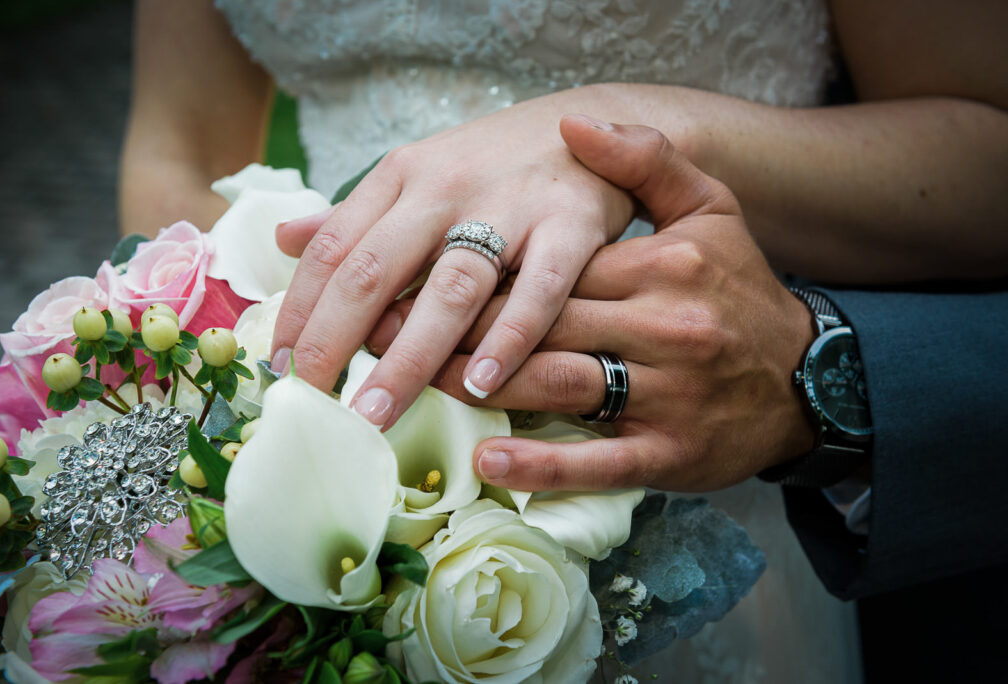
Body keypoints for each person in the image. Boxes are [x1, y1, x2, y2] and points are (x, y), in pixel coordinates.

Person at [120, 1, 1008, 680]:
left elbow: (987, 160)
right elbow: (179, 146)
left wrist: (625, 131)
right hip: (327, 434)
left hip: (714, 428)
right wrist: (220, 424)